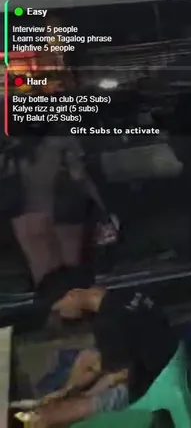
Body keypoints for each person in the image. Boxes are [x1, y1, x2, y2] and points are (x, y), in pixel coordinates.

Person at [22, 268, 180, 427]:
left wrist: (84, 396)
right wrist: (68, 390)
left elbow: (120, 376)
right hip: (171, 357)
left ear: (72, 295)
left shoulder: (107, 322)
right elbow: (116, 351)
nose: (62, 315)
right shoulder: (125, 294)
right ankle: (66, 392)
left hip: (149, 383)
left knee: (48, 418)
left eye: (59, 310)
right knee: (86, 357)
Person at [1, 126, 105, 287]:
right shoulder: (60, 143)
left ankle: (57, 292)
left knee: (44, 263)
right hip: (55, 208)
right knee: (64, 261)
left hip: (31, 211)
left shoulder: (16, 150)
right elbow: (79, 175)